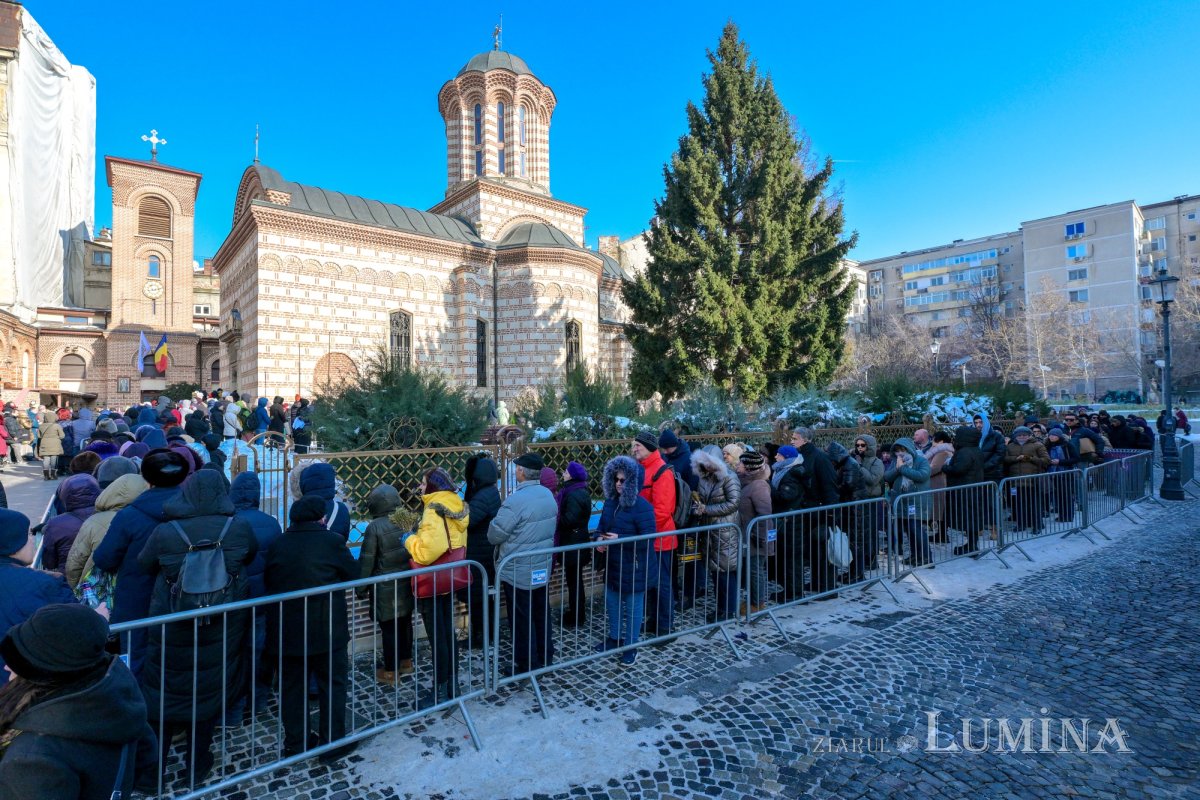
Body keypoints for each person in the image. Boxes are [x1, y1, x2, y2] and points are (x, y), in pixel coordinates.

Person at [136, 469, 256, 783]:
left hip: (173, 621)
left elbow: (144, 563)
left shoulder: (166, 531)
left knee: (163, 693)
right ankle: (196, 766)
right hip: (221, 622)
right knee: (207, 693)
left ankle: (152, 773)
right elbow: (250, 554)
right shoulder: (237, 527)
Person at [0, 604, 155, 799]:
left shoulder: (32, 759)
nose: (6, 667)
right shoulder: (117, 695)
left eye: (17, 662)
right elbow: (145, 753)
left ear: (43, 671)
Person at [264, 494, 356, 761]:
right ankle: (332, 744)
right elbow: (353, 573)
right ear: (321, 518)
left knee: (292, 688)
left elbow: (270, 578)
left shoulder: (278, 543)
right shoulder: (331, 541)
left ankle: (297, 743)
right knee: (332, 685)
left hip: (287, 630)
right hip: (326, 627)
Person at [91, 450, 189, 679]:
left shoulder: (129, 516)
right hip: (186, 598)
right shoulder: (194, 512)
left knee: (136, 663)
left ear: (147, 479)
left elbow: (104, 559)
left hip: (136, 602)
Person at [403, 469, 469, 706]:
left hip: (432, 580)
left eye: (423, 483)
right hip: (449, 578)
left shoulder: (433, 509)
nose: (420, 488)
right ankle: (453, 685)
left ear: (433, 486)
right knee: (447, 633)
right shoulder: (455, 504)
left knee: (437, 637)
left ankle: (440, 691)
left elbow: (427, 552)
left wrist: (408, 539)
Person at [488, 454, 557, 675]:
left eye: (516, 468)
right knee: (541, 612)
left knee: (521, 618)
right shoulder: (547, 494)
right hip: (541, 565)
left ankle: (527, 665)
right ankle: (545, 656)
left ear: (521, 472)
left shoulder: (515, 500)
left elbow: (495, 534)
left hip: (518, 569)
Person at [226, 472, 284, 722]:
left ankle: (234, 710)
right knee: (259, 652)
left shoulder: (228, 523)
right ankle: (258, 700)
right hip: (262, 599)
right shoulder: (271, 523)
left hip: (234, 601)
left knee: (233, 655)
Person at [0, 510, 79, 685]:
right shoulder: (46, 583)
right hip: (28, 689)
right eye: (28, 534)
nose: (33, 539)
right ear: (12, 542)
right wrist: (100, 619)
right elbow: (75, 631)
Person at [593, 455, 656, 666]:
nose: (618, 483)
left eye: (623, 480)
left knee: (633, 608)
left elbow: (648, 539)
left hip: (635, 566)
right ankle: (615, 638)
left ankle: (630, 646)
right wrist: (598, 540)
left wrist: (620, 538)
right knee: (612, 603)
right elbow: (601, 528)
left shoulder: (643, 507)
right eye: (616, 479)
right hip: (613, 564)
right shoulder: (610, 503)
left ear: (632, 482)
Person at [358, 485, 414, 685]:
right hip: (406, 581)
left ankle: (391, 671)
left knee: (389, 629)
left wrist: (360, 588)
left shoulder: (374, 527)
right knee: (405, 623)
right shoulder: (406, 519)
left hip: (385, 586)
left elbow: (367, 560)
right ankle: (406, 662)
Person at [66, 473, 148, 592]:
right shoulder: (152, 520)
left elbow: (76, 562)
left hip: (97, 592)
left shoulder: (94, 522)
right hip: (138, 591)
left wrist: (74, 589)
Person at [630, 430, 677, 639]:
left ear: (649, 447)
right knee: (650, 583)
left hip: (659, 539)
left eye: (637, 446)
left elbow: (662, 511)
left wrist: (641, 529)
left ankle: (665, 627)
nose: (634, 449)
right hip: (648, 538)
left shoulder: (661, 471)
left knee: (662, 584)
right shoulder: (642, 468)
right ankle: (653, 620)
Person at [690, 445, 741, 622]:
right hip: (710, 530)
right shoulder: (704, 478)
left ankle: (728, 610)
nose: (706, 466)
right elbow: (701, 500)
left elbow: (733, 503)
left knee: (725, 572)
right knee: (716, 573)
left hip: (725, 531)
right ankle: (721, 609)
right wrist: (698, 509)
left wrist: (707, 510)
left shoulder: (730, 477)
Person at [787, 428, 839, 597]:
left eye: (795, 438)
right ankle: (818, 583)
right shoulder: (800, 456)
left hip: (820, 511)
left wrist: (830, 513)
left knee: (823, 550)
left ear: (805, 440)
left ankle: (827, 587)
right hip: (807, 511)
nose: (792, 441)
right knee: (813, 550)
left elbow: (829, 486)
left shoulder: (819, 458)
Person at [461, 455, 500, 647]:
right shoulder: (491, 492)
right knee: (484, 598)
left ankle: (480, 638)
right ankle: (486, 634)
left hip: (479, 553)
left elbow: (467, 521)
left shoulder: (482, 496)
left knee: (477, 599)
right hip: (486, 551)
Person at [555, 461, 593, 628]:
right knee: (575, 580)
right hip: (577, 540)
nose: (563, 473)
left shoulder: (573, 494)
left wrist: (556, 520)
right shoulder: (578, 490)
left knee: (574, 582)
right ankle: (577, 613)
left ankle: (577, 616)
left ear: (572, 475)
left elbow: (570, 519)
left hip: (573, 543)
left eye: (566, 471)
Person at [40, 474, 101, 574]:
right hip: (104, 579)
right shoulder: (111, 517)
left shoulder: (55, 524)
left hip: (68, 578)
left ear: (65, 495)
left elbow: (49, 563)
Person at [884, 439, 932, 567]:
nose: (900, 453)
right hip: (901, 501)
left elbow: (922, 475)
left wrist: (902, 468)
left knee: (916, 528)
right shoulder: (896, 461)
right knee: (909, 529)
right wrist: (898, 468)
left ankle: (926, 557)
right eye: (897, 450)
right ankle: (915, 555)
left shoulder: (920, 460)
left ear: (909, 449)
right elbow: (887, 476)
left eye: (903, 450)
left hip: (916, 500)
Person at [941, 426, 986, 556]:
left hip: (965, 490)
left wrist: (945, 467)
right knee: (972, 518)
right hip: (973, 488)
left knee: (969, 518)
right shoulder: (976, 449)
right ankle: (972, 544)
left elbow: (959, 469)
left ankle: (971, 546)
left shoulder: (964, 452)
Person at [737, 450, 773, 611]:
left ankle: (757, 603)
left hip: (756, 536)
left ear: (749, 467)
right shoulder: (745, 482)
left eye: (741, 463)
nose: (738, 465)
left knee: (755, 570)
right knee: (751, 569)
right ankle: (752, 600)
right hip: (747, 533)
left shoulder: (759, 485)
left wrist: (759, 536)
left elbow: (764, 513)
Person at [1004, 426, 1050, 533]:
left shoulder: (1038, 445)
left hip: (1033, 481)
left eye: (1024, 435)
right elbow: (1005, 459)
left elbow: (1046, 460)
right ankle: (1021, 524)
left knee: (1034, 504)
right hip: (1016, 481)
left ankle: (1037, 525)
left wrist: (1030, 458)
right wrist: (1016, 458)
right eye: (1019, 435)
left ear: (1029, 435)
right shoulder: (1010, 446)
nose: (1022, 437)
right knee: (1019, 504)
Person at [298, 462, 351, 540]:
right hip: (335, 547)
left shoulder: (298, 510)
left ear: (304, 484)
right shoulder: (341, 509)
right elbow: (344, 536)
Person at [925, 430, 955, 543]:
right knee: (940, 509)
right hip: (939, 482)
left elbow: (934, 467)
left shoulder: (942, 452)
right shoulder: (945, 450)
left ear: (941, 441)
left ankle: (942, 535)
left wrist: (923, 472)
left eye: (934, 441)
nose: (932, 443)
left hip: (939, 483)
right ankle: (941, 533)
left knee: (940, 509)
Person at [1045, 427, 1079, 523]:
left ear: (1059, 436)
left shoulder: (1067, 445)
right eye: (1050, 435)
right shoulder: (1047, 446)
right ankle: (1061, 515)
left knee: (1066, 495)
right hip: (1052, 474)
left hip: (1065, 473)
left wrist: (1060, 462)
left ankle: (1068, 516)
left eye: (1054, 435)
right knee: (1058, 496)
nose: (1052, 437)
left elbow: (1076, 458)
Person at [36, 409, 65, 481]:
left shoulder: (41, 426)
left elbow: (39, 436)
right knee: (54, 459)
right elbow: (62, 436)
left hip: (44, 444)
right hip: (55, 444)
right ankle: (53, 475)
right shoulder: (57, 426)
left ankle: (46, 476)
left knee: (46, 459)